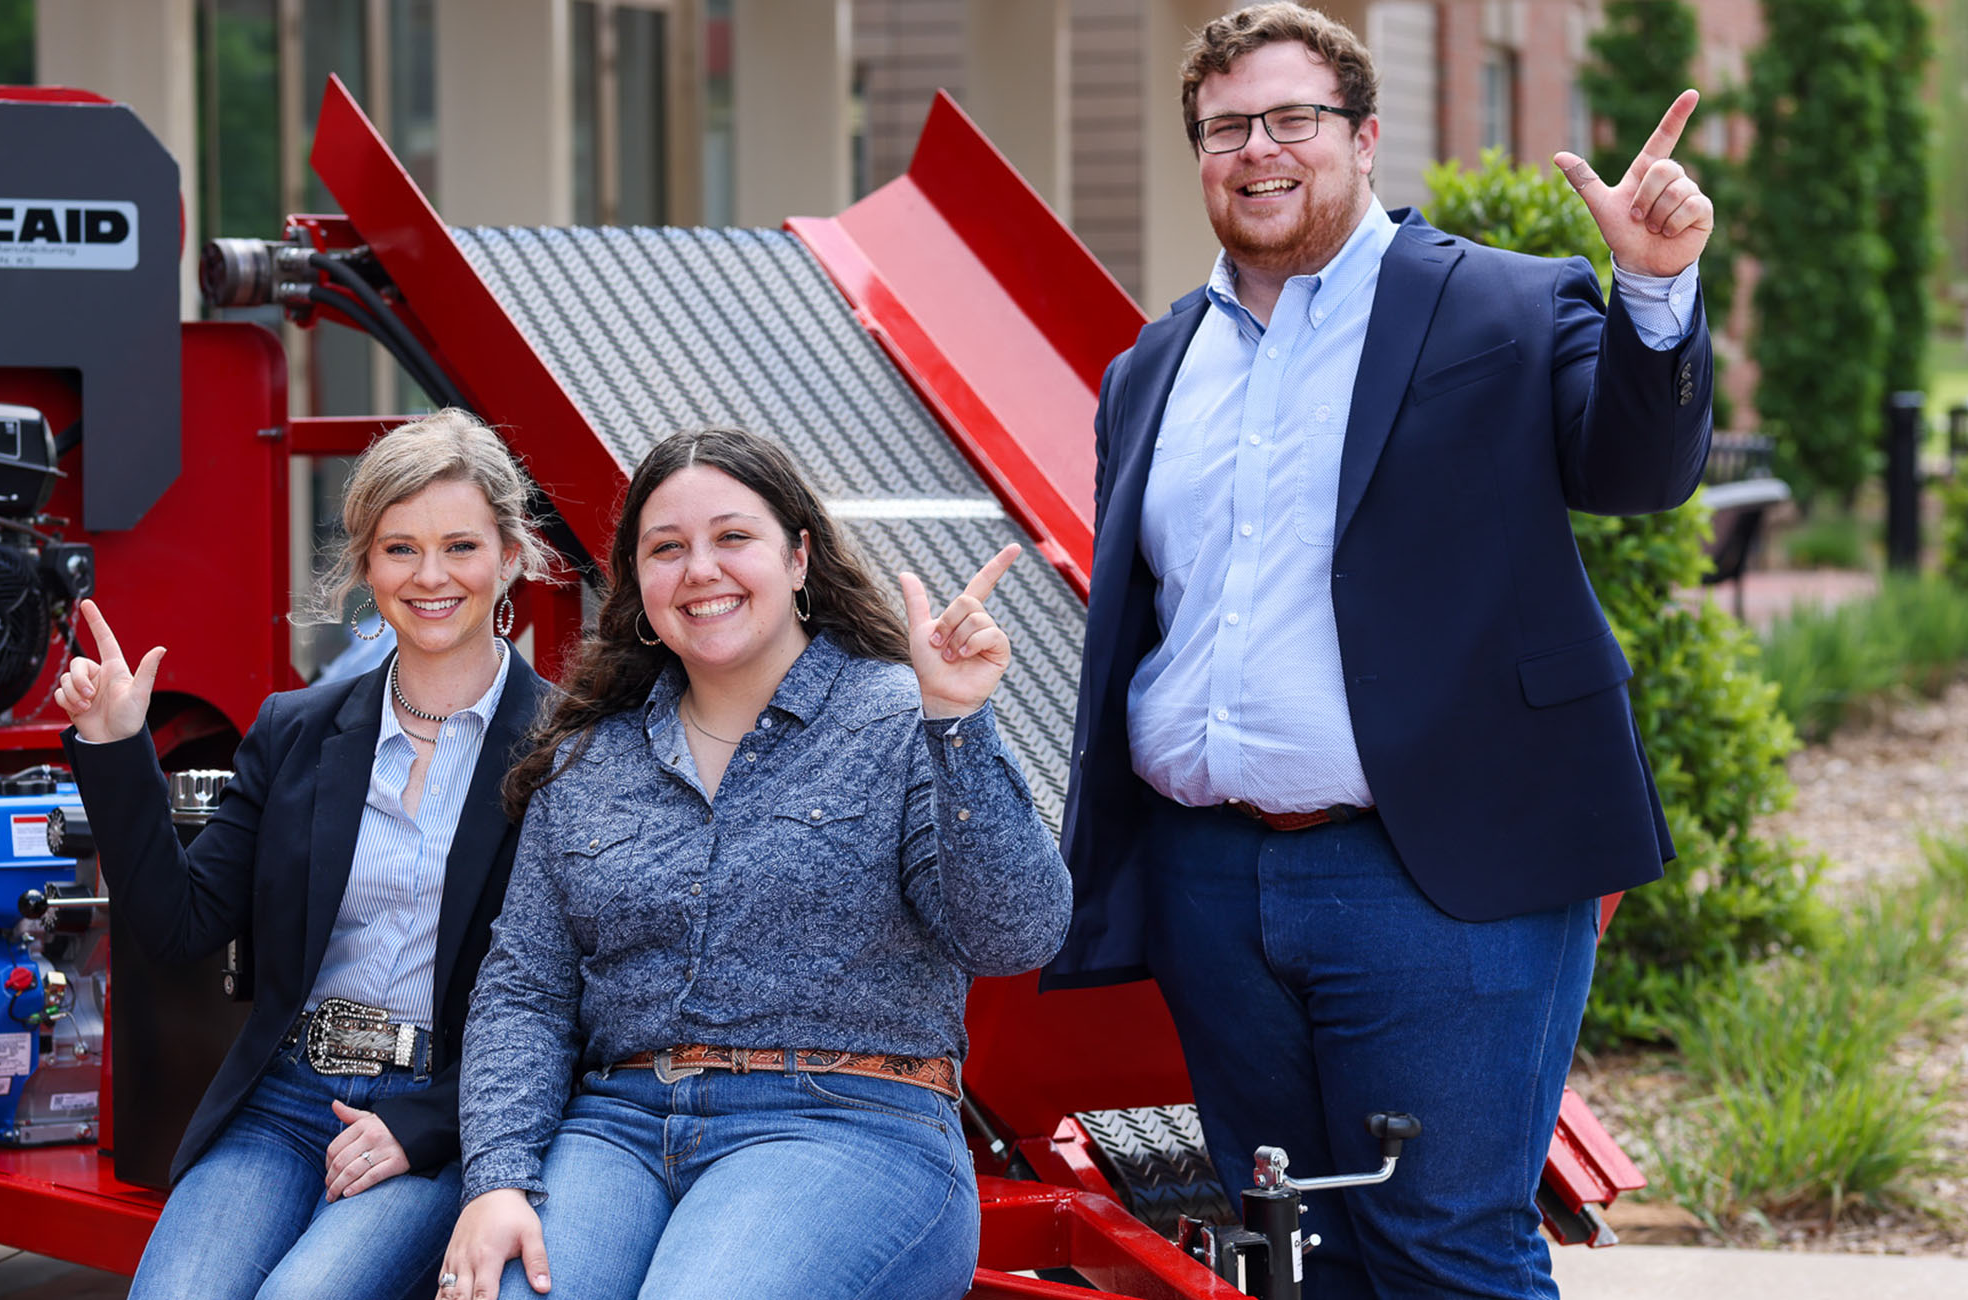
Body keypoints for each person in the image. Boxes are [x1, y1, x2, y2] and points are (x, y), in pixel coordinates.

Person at [1046, 5, 1713, 1298]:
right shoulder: (1151, 367)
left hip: (1438, 878)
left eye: (1291, 117)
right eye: (1226, 126)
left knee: (1447, 1249)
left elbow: (1635, 469)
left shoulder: (1505, 307)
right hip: (1209, 884)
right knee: (1296, 1256)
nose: (1258, 148)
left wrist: (1652, 290)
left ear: (1361, 137)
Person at [434, 427, 1070, 1300]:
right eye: (667, 549)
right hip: (617, 1126)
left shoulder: (902, 715)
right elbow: (525, 994)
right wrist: (499, 1178)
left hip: (846, 1125)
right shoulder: (589, 759)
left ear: (800, 557)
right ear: (638, 585)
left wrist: (957, 723)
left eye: (733, 538)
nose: (700, 569)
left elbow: (1016, 934)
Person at [57, 409, 554, 1299]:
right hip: (286, 1101)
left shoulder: (568, 749)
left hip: (445, 1115)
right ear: (366, 565)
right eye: (400, 548)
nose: (430, 576)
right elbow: (180, 925)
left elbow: (581, 996)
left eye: (461, 547)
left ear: (511, 555)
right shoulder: (297, 730)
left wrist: (428, 1123)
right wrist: (115, 746)